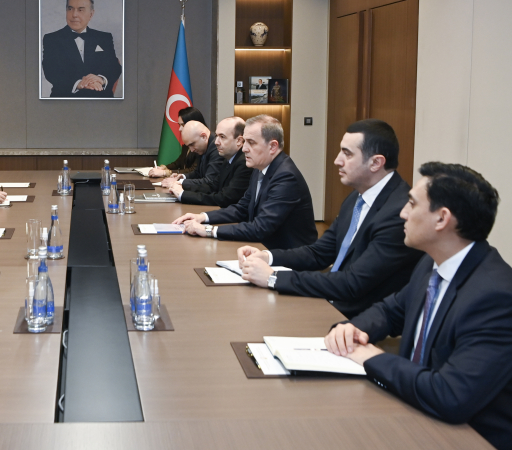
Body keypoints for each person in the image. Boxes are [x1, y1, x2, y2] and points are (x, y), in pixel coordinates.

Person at [325, 163, 512, 450]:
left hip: (479, 438)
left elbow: (451, 396)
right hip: (420, 417)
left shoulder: (498, 299)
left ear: (442, 219)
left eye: (411, 204)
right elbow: (391, 311)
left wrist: (370, 357)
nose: (402, 213)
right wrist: (353, 329)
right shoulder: (431, 264)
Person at [237, 119, 422, 317]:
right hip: (332, 300)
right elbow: (319, 253)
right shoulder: (357, 197)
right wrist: (267, 256)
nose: (337, 160)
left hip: (356, 318)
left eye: (347, 154)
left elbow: (353, 284)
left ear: (376, 163)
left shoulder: (398, 214)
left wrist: (273, 277)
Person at [172, 114, 316, 250]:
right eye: (245, 141)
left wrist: (209, 230)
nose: (245, 148)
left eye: (251, 143)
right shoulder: (260, 168)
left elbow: (260, 228)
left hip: (287, 257)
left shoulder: (286, 177)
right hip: (263, 248)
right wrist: (203, 217)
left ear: (272, 146)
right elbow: (242, 208)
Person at [41, 0, 122, 98]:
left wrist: (100, 79)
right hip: (65, 100)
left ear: (91, 14)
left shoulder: (104, 37)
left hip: (100, 99)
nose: (74, 14)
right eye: (70, 9)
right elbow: (51, 71)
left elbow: (114, 66)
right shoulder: (52, 39)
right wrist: (79, 84)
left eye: (80, 10)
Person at [168, 117, 251, 207]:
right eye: (216, 136)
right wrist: (181, 185)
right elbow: (212, 186)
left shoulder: (244, 163)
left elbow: (224, 198)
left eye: (222, 137)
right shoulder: (228, 158)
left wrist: (183, 194)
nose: (216, 142)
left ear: (239, 141)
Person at [160, 120, 222, 192]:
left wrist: (180, 182)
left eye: (192, 144)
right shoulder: (203, 147)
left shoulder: (217, 148)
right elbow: (198, 173)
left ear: (204, 136)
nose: (191, 150)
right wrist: (182, 177)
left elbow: (209, 182)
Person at [148, 106, 206, 178]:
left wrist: (165, 173)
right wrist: (165, 168)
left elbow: (193, 171)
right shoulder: (187, 143)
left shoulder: (202, 145)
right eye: (179, 125)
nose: (180, 129)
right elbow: (178, 163)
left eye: (183, 125)